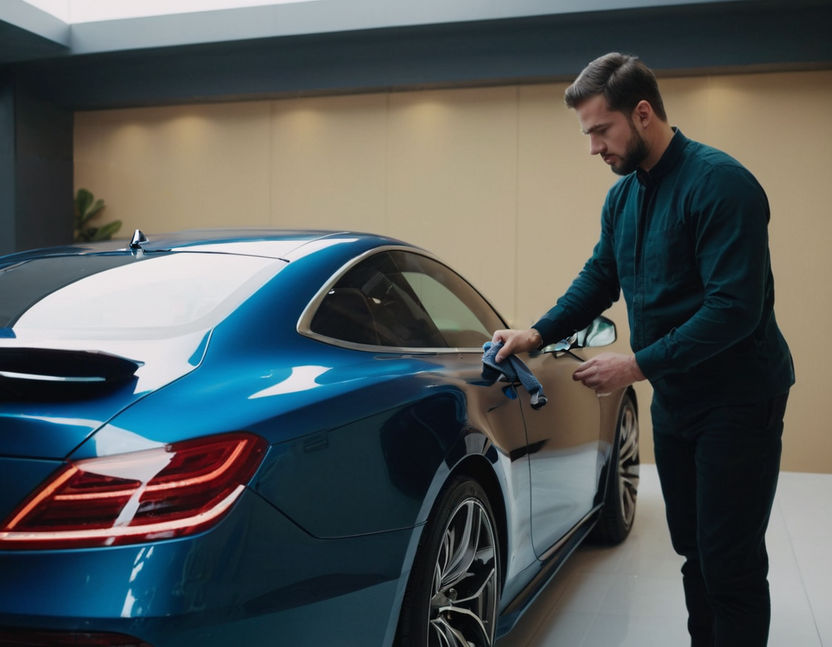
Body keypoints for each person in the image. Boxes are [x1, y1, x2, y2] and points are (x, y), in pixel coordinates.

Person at [493, 52, 794, 647]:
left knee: (728, 559)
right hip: (677, 399)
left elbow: (735, 311)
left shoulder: (721, 184)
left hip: (738, 400)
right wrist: (537, 332)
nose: (593, 148)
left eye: (601, 131)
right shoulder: (625, 197)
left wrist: (635, 365)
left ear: (643, 113)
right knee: (692, 551)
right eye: (587, 134)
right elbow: (600, 277)